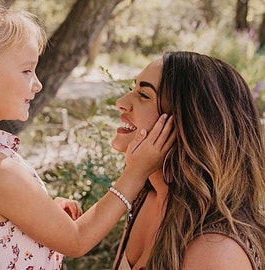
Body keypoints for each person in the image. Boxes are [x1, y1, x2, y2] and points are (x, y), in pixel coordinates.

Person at [0, 0, 176, 269]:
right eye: (26, 70)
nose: (38, 83)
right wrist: (134, 173)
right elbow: (77, 241)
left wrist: (46, 218)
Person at [111, 51, 265, 270]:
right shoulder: (147, 195)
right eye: (132, 90)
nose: (121, 102)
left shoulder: (216, 250)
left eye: (144, 95)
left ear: (190, 124)